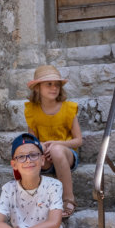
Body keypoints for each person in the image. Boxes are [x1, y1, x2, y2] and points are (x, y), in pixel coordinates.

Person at [24, 64, 82, 218]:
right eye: (49, 84)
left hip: (67, 154)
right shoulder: (32, 111)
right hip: (46, 158)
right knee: (30, 152)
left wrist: (57, 144)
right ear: (37, 88)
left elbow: (78, 141)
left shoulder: (68, 109)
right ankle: (33, 201)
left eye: (57, 84)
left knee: (56, 150)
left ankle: (68, 199)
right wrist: (42, 146)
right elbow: (32, 141)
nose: (54, 88)